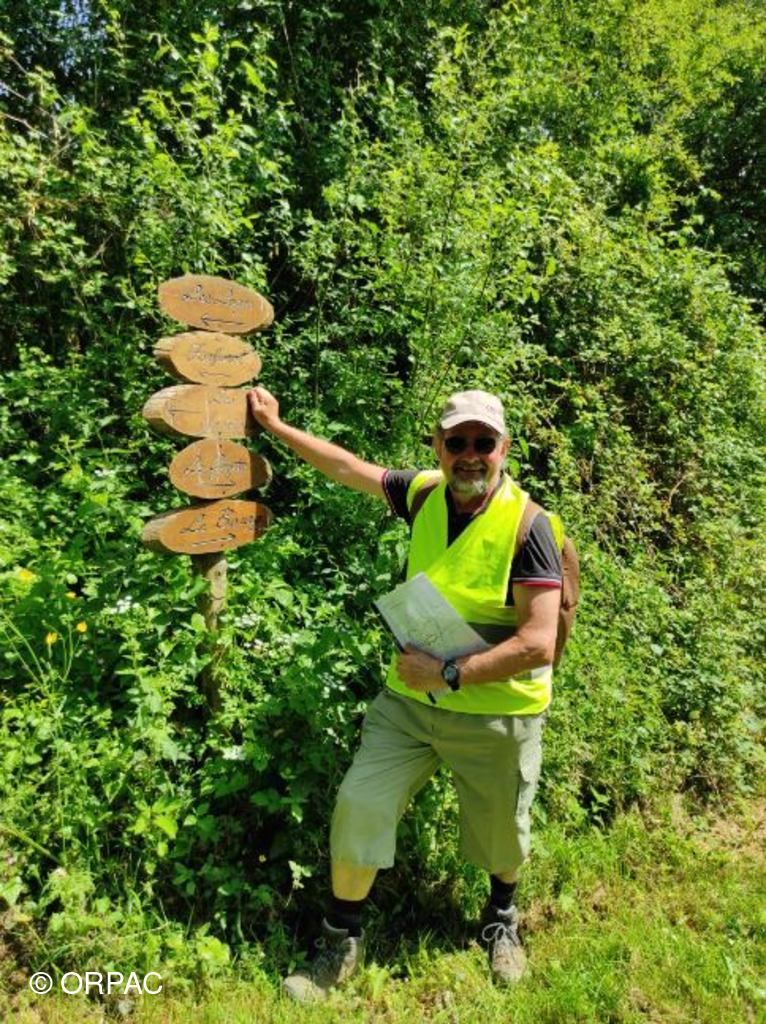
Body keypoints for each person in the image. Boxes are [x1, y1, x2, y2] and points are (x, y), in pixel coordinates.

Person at [247, 386, 562, 1003]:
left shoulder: (530, 526)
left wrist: (448, 673)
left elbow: (538, 642)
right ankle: (340, 940)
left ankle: (501, 920)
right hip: (410, 706)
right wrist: (277, 428)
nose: (470, 454)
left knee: (502, 833)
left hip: (497, 711)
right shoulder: (422, 493)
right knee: (360, 804)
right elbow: (347, 468)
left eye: (483, 442)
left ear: (504, 449)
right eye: (457, 441)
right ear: (438, 446)